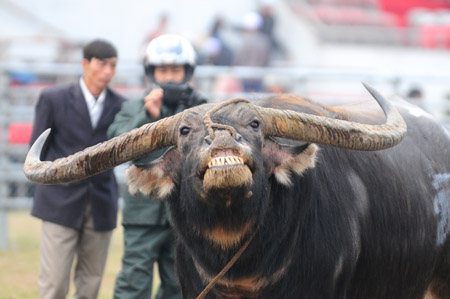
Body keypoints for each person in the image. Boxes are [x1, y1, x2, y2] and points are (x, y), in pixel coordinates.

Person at [109, 34, 207, 299]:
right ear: (151, 73)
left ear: (187, 72)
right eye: (162, 70)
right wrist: (147, 116)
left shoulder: (204, 109)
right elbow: (117, 143)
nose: (169, 77)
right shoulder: (133, 107)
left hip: (188, 215)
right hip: (143, 213)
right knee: (134, 279)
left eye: (175, 70)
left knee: (180, 283)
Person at [29, 39, 126, 298]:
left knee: (91, 284)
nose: (107, 71)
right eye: (102, 64)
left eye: (113, 65)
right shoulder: (53, 98)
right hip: (60, 200)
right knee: (54, 284)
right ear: (85, 63)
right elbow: (37, 149)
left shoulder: (121, 105)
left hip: (102, 200)